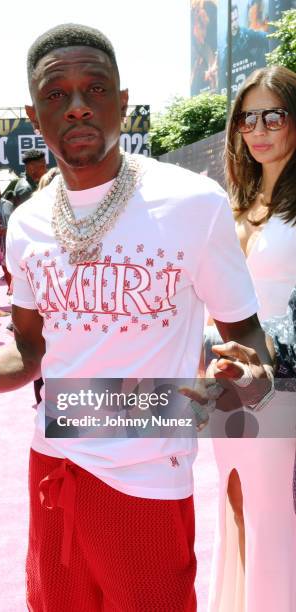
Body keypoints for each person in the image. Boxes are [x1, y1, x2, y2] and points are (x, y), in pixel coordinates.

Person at [0, 24, 273, 611]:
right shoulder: (28, 221)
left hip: (148, 476)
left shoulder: (194, 204)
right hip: (54, 465)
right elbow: (30, 352)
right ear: (35, 117)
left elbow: (246, 335)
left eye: (95, 88)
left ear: (123, 102)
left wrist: (252, 377)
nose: (78, 105)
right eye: (56, 94)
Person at [208, 66, 296, 612]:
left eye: (274, 115)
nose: (258, 129)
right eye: (248, 118)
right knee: (233, 501)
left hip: (281, 384)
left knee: (271, 511)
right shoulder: (236, 203)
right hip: (227, 383)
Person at [220, 2, 269, 96]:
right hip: (238, 93)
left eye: (236, 19)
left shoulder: (245, 33)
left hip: (257, 83)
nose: (234, 23)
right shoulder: (226, 50)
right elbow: (222, 78)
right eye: (232, 20)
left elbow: (266, 38)